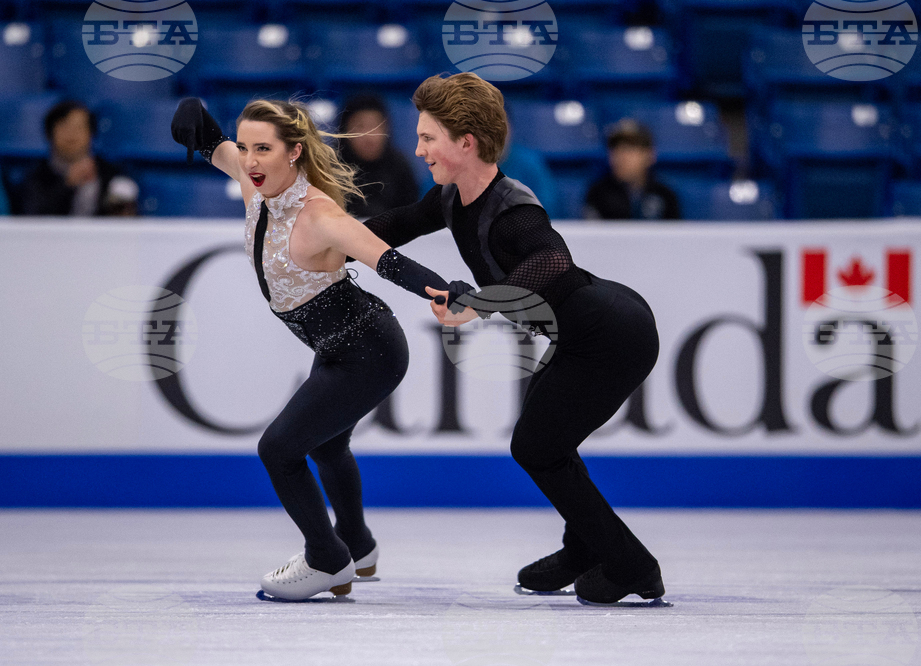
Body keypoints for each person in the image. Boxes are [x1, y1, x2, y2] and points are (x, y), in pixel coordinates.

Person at [362, 73, 666, 605]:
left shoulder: (513, 209)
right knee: (548, 442)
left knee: (536, 447)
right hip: (582, 332)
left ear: (466, 142)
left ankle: (631, 565)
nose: (418, 149)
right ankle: (585, 549)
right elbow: (400, 222)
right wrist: (331, 240)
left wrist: (478, 305)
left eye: (428, 137)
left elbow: (552, 260)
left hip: (612, 334)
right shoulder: (452, 198)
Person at [170, 97, 457, 601]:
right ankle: (358, 544)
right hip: (334, 345)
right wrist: (194, 115)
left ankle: (327, 559)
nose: (251, 159)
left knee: (278, 450)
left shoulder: (320, 214)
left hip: (370, 350)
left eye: (264, 148)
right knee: (326, 445)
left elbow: (388, 262)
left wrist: (445, 292)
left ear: (295, 153)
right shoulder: (252, 179)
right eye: (246, 147)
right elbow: (212, 141)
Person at [18, 100, 138, 216]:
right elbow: (33, 220)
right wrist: (67, 185)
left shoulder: (111, 173)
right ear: (50, 133)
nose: (72, 133)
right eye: (64, 126)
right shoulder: (36, 177)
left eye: (79, 127)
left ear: (91, 133)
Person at [337, 93, 420, 219]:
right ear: (345, 130)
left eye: (375, 126)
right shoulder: (330, 171)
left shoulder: (400, 168)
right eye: (360, 126)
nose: (369, 136)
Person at [583, 119, 680, 221]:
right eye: (616, 149)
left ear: (650, 155)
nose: (621, 157)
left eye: (630, 149)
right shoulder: (598, 193)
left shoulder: (665, 195)